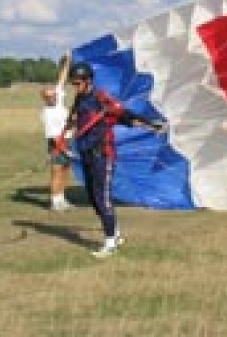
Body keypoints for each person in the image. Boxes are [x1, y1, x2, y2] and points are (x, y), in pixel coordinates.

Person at [61, 61, 164, 258]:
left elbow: (125, 115)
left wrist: (151, 125)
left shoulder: (101, 99)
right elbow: (74, 120)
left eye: (77, 83)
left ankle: (110, 242)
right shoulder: (79, 100)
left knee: (102, 197)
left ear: (88, 81)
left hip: (102, 155)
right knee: (93, 198)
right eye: (73, 84)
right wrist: (63, 140)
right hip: (86, 154)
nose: (75, 87)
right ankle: (115, 234)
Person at [40, 53, 73, 211]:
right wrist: (64, 149)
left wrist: (66, 62)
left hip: (67, 140)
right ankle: (54, 200)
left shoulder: (58, 101)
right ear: (45, 99)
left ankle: (62, 198)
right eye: (49, 96)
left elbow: (62, 80)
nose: (53, 97)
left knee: (66, 170)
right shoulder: (47, 113)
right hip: (57, 144)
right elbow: (53, 137)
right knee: (56, 171)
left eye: (53, 95)